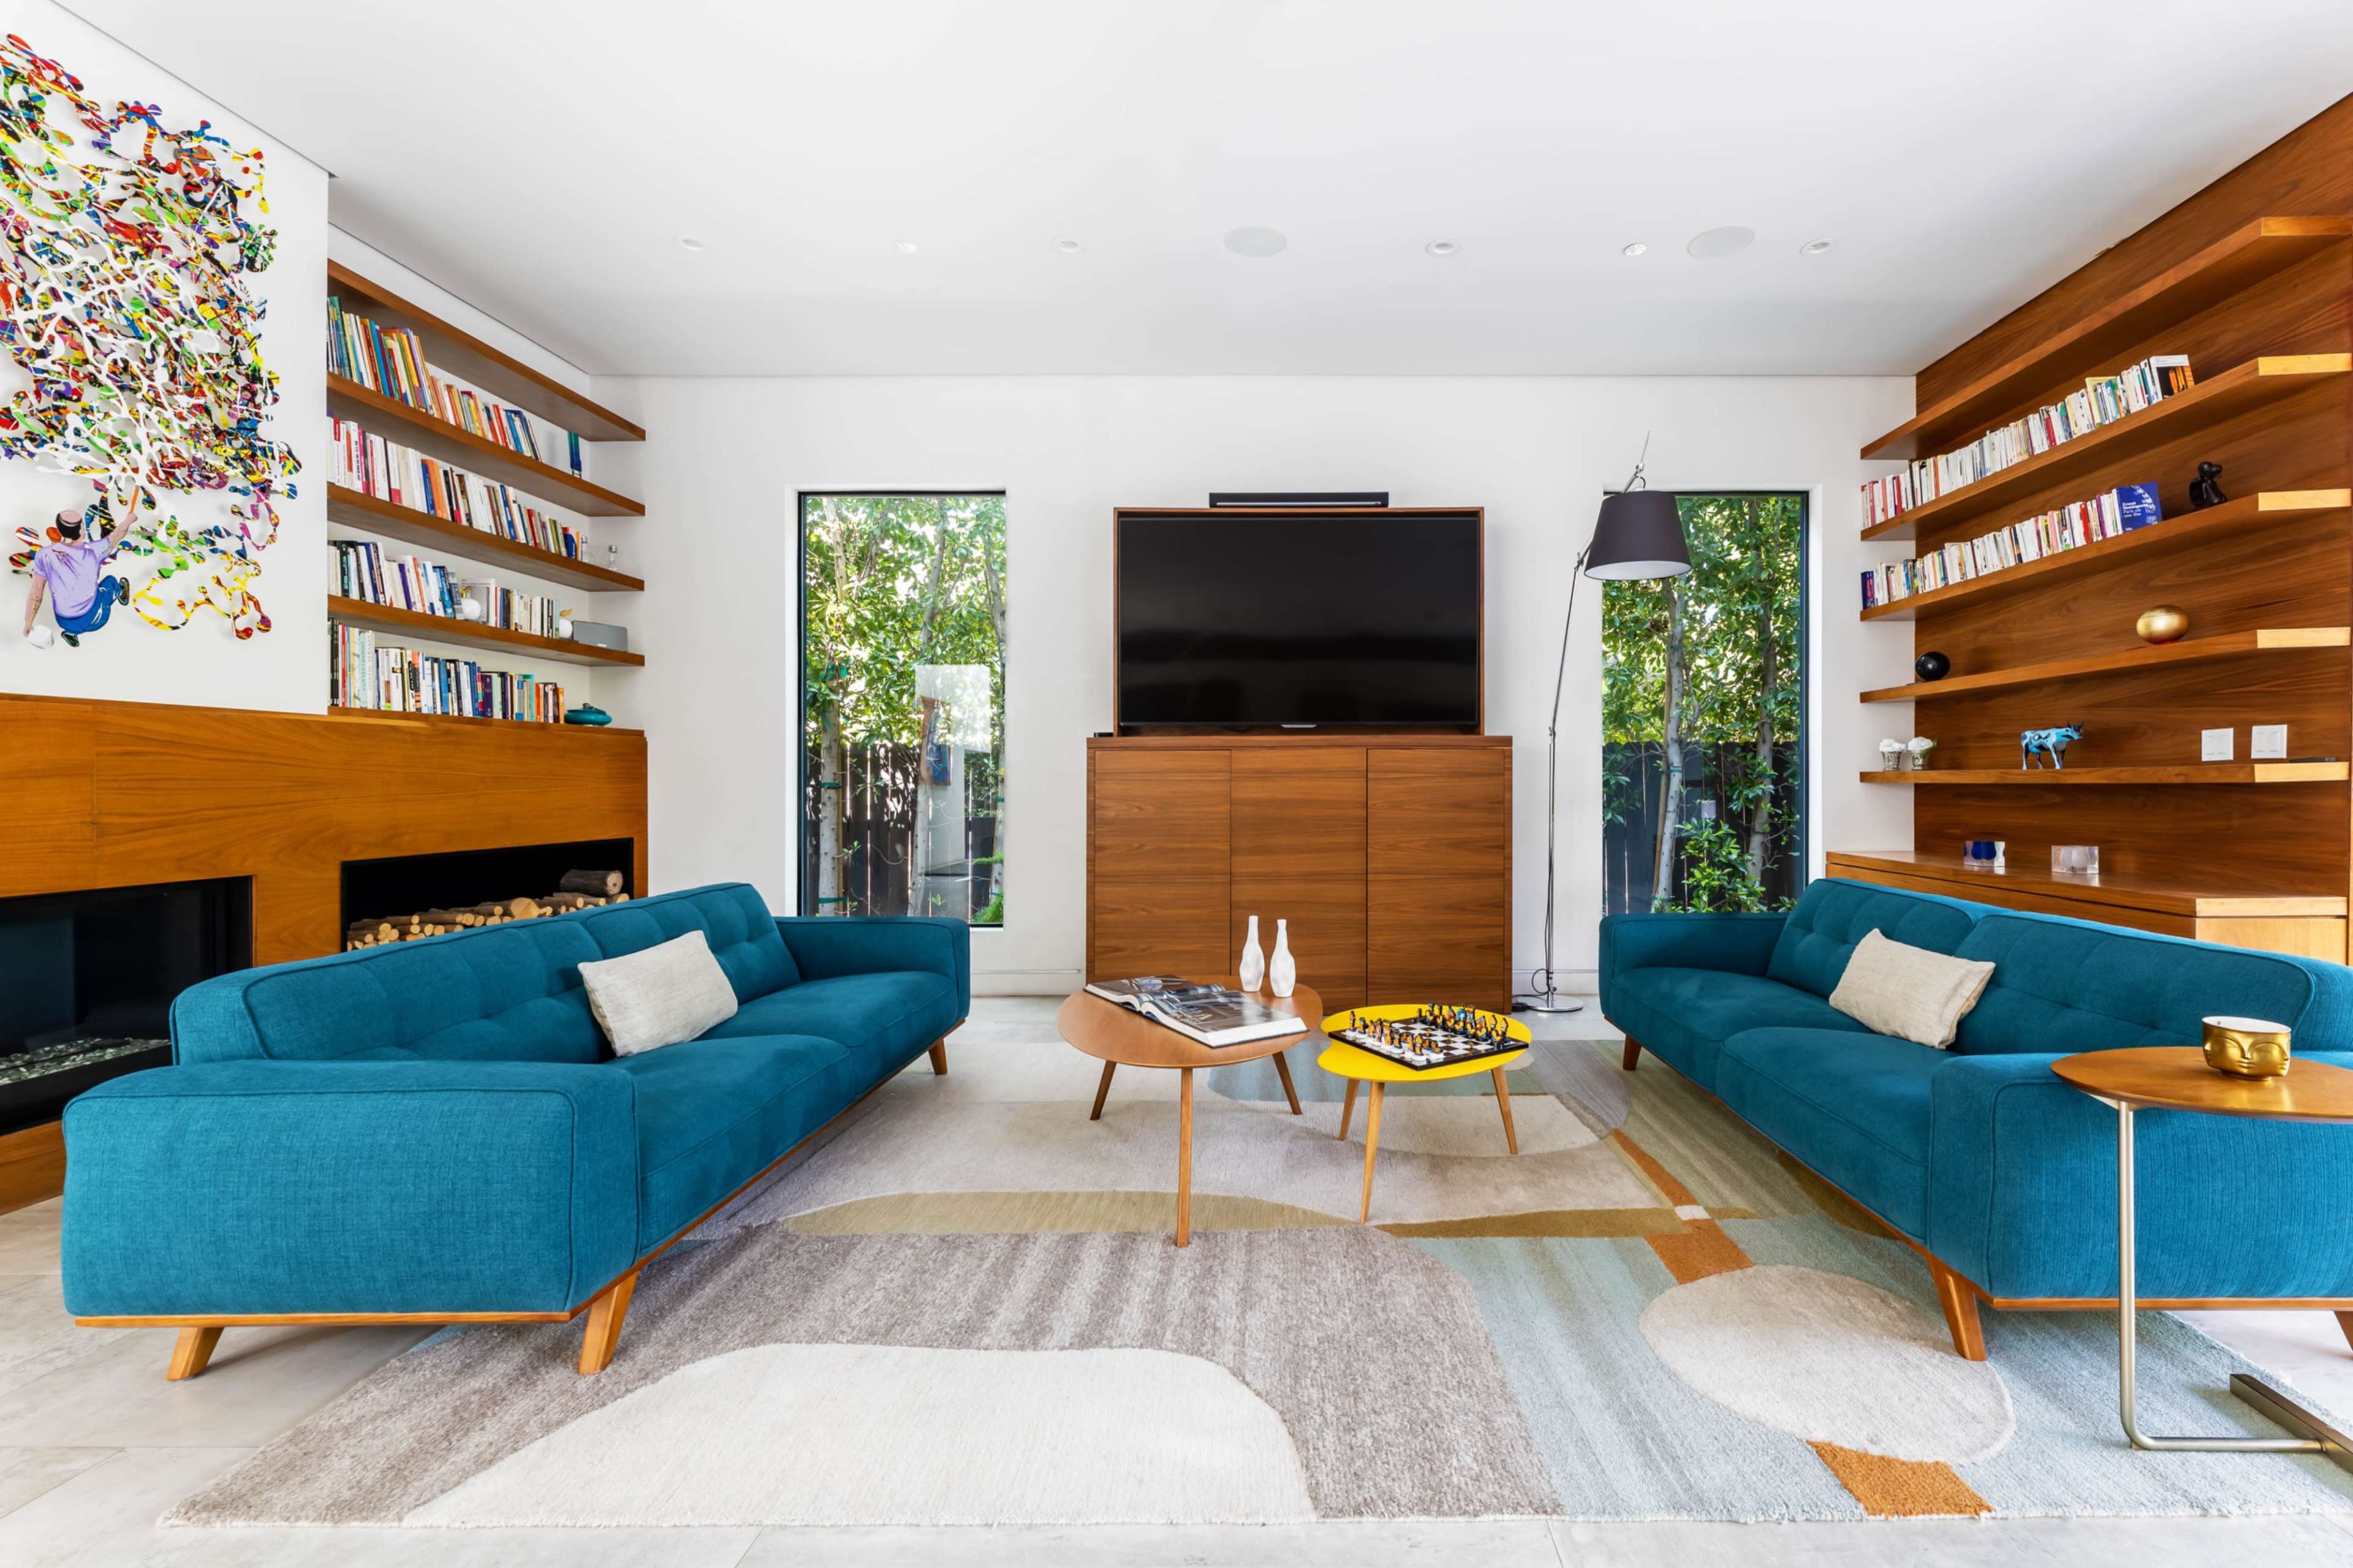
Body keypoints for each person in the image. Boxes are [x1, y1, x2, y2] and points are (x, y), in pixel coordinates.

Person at [21, 505, 131, 648]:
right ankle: (120, 592)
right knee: (110, 582)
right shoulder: (94, 550)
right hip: (95, 619)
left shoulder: (43, 555)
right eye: (83, 526)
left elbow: (36, 594)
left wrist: (28, 623)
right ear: (80, 530)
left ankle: (71, 633)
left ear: (59, 530)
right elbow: (118, 535)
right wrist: (129, 520)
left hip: (63, 621)